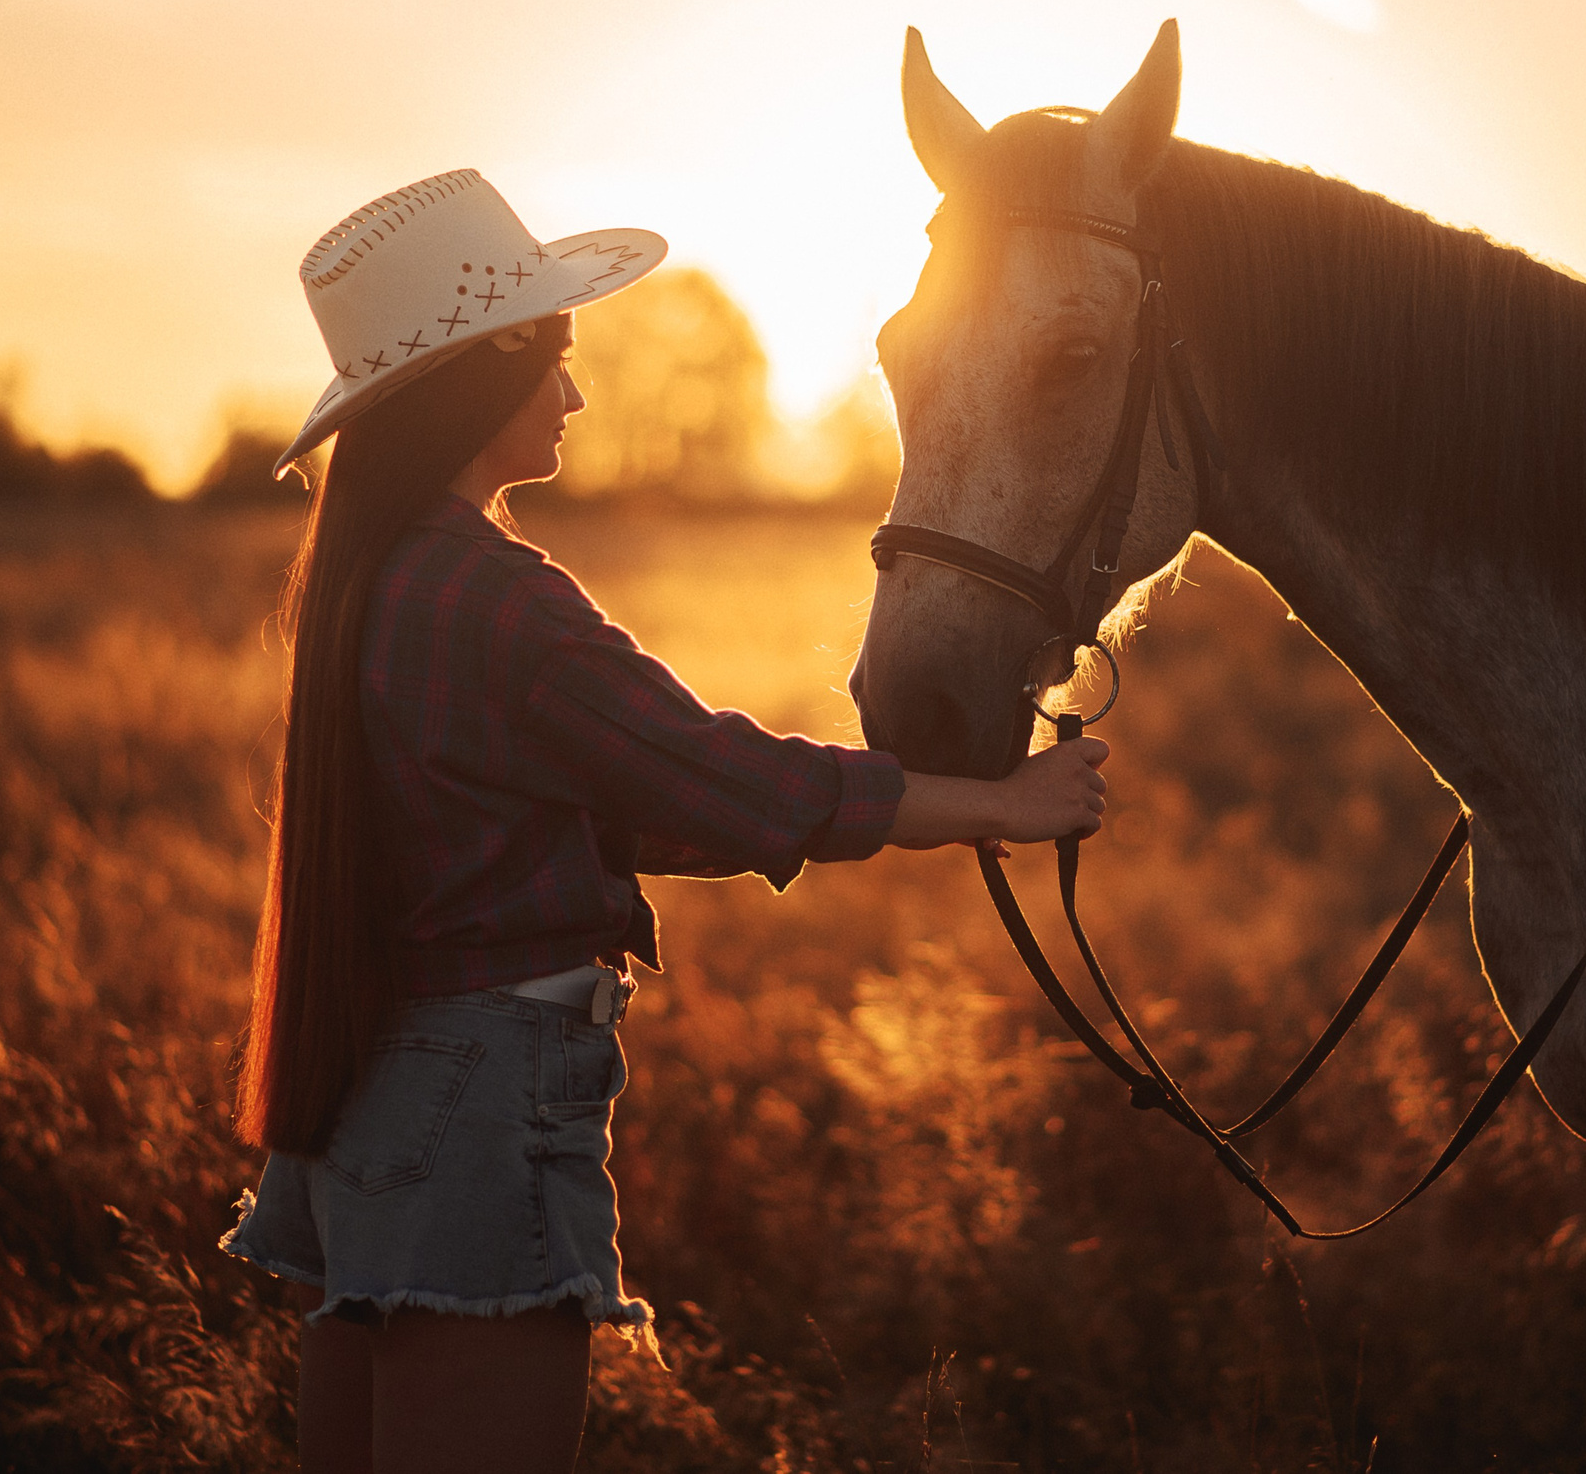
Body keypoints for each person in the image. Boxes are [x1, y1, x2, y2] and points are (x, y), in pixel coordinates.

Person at [217, 171, 1107, 1474]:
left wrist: (901, 806)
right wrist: (1003, 801)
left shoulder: (372, 579)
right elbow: (724, 783)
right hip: (479, 1101)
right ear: (483, 372)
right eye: (556, 357)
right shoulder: (498, 598)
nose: (575, 396)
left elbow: (627, 800)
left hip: (375, 1085)